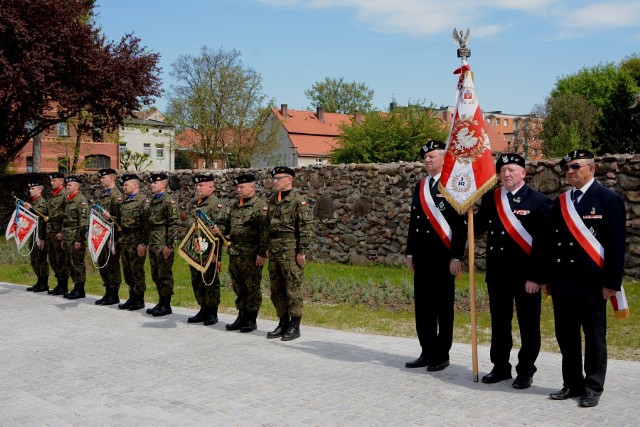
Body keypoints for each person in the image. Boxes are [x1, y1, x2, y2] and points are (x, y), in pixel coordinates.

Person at [537, 150, 626, 408]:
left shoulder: (609, 200)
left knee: (594, 337)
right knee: (567, 336)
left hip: (592, 284)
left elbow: (616, 245)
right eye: (566, 167)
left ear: (591, 168)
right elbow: (549, 244)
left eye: (575, 166)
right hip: (563, 282)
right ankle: (572, 383)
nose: (570, 171)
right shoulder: (561, 202)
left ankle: (593, 386)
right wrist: (546, 278)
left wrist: (611, 283)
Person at [474, 153, 552, 389]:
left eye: (511, 170)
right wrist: (466, 210)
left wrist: (537, 277)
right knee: (499, 323)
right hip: (498, 273)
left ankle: (526, 370)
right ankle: (500, 367)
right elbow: (477, 229)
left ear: (523, 173)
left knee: (528, 325)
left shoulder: (539, 201)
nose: (506, 174)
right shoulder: (490, 199)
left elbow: (544, 243)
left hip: (526, 276)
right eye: (503, 170)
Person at [405, 140, 466, 372]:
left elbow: (460, 227)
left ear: (443, 159)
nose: (428, 160)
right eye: (425, 157)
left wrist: (457, 257)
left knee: (443, 308)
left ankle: (442, 353)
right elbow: (414, 222)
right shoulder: (420, 186)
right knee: (423, 307)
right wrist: (410, 252)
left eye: (432, 156)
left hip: (444, 257)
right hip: (422, 257)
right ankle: (426, 351)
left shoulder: (454, 185)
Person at [265, 166, 313, 341]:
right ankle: (283, 321)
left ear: (289, 180)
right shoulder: (271, 200)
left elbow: (306, 228)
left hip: (290, 249)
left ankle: (294, 325)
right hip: (274, 248)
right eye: (274, 178)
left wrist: (302, 251)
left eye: (278, 178)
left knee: (292, 287)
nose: (275, 181)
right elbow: (266, 227)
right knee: (276, 288)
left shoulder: (298, 201)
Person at [224, 172, 268, 333]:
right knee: (238, 286)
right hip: (235, 252)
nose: (239, 190)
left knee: (252, 287)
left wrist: (262, 253)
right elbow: (228, 226)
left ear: (252, 187)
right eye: (237, 187)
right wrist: (219, 230)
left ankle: (251, 318)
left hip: (251, 254)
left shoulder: (260, 206)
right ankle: (241, 315)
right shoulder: (236, 206)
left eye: (242, 187)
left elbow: (264, 232)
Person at [186, 173, 226, 326]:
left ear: (211, 187)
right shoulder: (195, 205)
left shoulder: (216, 205)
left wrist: (217, 254)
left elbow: (222, 227)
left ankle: (212, 311)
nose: (198, 188)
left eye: (201, 185)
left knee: (209, 281)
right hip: (195, 250)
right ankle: (203, 308)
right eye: (196, 185)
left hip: (210, 251)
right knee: (197, 280)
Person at [145, 173, 180, 317]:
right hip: (153, 242)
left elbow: (173, 224)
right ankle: (160, 302)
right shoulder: (153, 201)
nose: (152, 185)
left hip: (163, 242)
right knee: (156, 274)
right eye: (152, 183)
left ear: (164, 185)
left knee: (164, 274)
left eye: (156, 183)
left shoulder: (168, 201)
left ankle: (166, 304)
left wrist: (169, 245)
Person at [117, 174, 149, 311]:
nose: (124, 187)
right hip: (125, 240)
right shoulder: (125, 201)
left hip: (137, 240)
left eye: (126, 185)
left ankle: (139, 298)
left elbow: (147, 224)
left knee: (137, 270)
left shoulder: (143, 201)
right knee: (127, 270)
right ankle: (132, 296)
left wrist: (143, 243)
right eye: (123, 185)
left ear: (135, 185)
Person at [94, 168, 124, 306]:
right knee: (102, 263)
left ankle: (114, 293)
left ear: (111, 178)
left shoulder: (117, 196)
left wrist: (114, 238)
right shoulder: (103, 195)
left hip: (112, 237)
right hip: (101, 236)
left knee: (112, 264)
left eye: (103, 177)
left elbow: (120, 219)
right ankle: (107, 291)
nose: (101, 180)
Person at [60, 175, 89, 299]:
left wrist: (79, 239)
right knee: (70, 263)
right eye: (67, 185)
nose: (67, 187)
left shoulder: (80, 200)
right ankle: (75, 287)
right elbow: (65, 220)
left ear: (77, 186)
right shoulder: (68, 200)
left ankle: (80, 289)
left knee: (77, 263)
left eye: (70, 185)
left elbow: (83, 222)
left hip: (76, 238)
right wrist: (63, 237)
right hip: (67, 236)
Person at [45, 172, 69, 296]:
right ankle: (59, 284)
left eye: (54, 181)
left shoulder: (65, 195)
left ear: (61, 181)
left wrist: (62, 231)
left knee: (61, 260)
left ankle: (63, 286)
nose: (51, 183)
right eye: (51, 181)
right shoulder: (52, 195)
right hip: (50, 232)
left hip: (58, 232)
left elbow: (67, 214)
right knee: (53, 260)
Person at [23, 180, 50, 292]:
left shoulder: (42, 202)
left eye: (33, 188)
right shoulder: (33, 202)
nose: (30, 190)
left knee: (41, 259)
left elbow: (42, 220)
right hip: (32, 234)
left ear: (40, 190)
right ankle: (39, 281)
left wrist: (42, 238)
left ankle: (44, 283)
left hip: (39, 235)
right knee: (34, 259)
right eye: (30, 189)